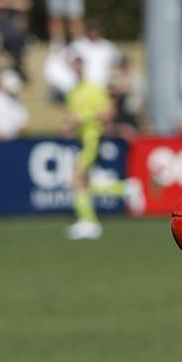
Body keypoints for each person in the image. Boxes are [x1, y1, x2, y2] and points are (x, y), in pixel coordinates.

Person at [62, 52, 122, 240]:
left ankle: (89, 222)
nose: (76, 67)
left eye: (79, 64)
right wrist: (70, 126)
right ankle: (123, 190)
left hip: (92, 138)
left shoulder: (94, 89)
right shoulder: (72, 92)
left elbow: (108, 113)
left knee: (77, 178)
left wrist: (84, 119)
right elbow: (72, 118)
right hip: (80, 139)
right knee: (83, 182)